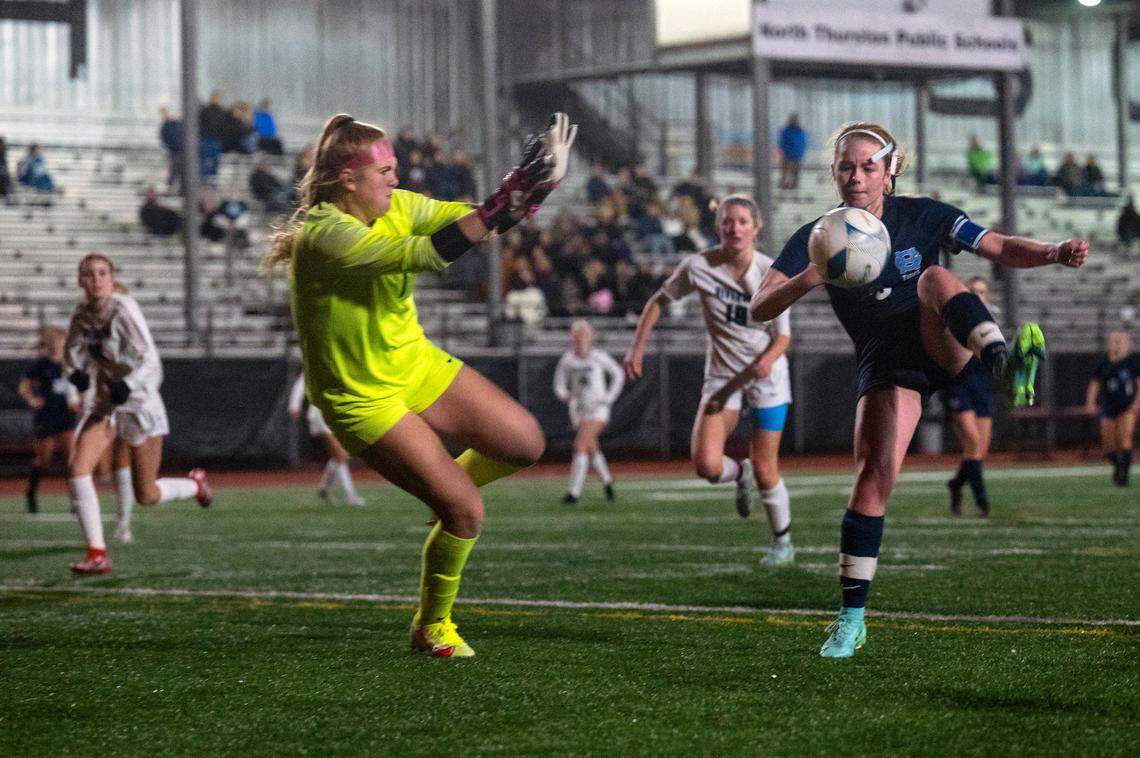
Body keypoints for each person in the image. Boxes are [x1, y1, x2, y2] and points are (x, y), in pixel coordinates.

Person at [750, 120, 1088, 658]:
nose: (856, 177)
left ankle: (1000, 361)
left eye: (867, 166)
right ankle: (852, 618)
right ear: (834, 175)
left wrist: (1053, 251)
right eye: (845, 167)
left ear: (890, 172)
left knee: (933, 278)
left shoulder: (922, 215)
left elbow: (995, 245)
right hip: (884, 362)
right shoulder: (818, 236)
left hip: (939, 337)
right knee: (871, 482)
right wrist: (807, 278)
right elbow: (758, 307)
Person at [263, 112, 576, 658]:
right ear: (347, 181)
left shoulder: (400, 204)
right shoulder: (325, 234)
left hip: (413, 362)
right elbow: (427, 254)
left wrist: (540, 184)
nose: (394, 178)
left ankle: (445, 487)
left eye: (394, 167)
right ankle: (431, 625)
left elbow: (483, 221)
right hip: (361, 395)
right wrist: (507, 199)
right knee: (465, 512)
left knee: (525, 441)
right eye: (382, 170)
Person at [624, 195, 797, 566]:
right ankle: (740, 473)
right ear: (718, 227)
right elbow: (658, 301)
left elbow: (783, 337)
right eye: (727, 221)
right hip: (722, 377)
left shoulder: (771, 272)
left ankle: (782, 543)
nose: (734, 228)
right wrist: (637, 348)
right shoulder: (698, 266)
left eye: (742, 221)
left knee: (768, 467)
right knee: (706, 464)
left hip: (766, 379)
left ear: (756, 228)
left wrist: (765, 361)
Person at [64, 253, 214, 575]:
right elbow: (71, 352)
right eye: (88, 274)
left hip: (140, 402)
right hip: (107, 401)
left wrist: (128, 384)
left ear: (111, 277)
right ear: (80, 281)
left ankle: (195, 485)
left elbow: (151, 361)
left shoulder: (123, 309)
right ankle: (97, 553)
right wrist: (75, 373)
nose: (96, 279)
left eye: (102, 273)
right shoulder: (81, 314)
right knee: (78, 469)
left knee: (147, 494)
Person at [554, 321, 624, 504]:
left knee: (580, 446)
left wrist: (609, 397)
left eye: (583, 336)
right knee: (592, 449)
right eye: (577, 336)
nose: (580, 340)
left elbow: (618, 374)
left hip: (598, 410)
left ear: (590, 338)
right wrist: (566, 396)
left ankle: (573, 493)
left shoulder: (599, 357)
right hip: (579, 411)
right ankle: (608, 481)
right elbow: (559, 384)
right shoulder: (568, 359)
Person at [944, 276, 997, 516]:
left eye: (983, 292)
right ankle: (982, 500)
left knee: (979, 452)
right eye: (973, 291)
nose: (978, 296)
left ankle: (956, 484)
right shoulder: (957, 318)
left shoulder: (991, 322)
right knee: (973, 444)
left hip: (979, 385)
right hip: (958, 384)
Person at [18, 327, 79, 513]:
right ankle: (31, 492)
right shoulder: (41, 364)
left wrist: (80, 398)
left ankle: (75, 499)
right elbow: (23, 385)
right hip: (46, 415)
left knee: (71, 458)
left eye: (58, 339)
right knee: (44, 458)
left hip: (66, 414)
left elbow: (81, 385)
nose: (55, 343)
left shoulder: (71, 363)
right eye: (51, 340)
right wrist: (31, 398)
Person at [288, 372, 364, 505]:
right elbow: (303, 381)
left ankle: (324, 488)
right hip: (321, 413)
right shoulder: (322, 360)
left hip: (334, 412)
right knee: (341, 455)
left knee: (339, 454)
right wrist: (294, 405)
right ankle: (351, 495)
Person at [1085, 330, 1137, 486]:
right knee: (1108, 445)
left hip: (1126, 406)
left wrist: (1137, 403)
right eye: (1115, 342)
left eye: (1121, 342)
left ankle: (1124, 475)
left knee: (1125, 439)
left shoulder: (1132, 362)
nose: (1118, 345)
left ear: (1128, 344)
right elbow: (1094, 384)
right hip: (1108, 406)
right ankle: (1118, 465)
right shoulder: (1104, 362)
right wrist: (1090, 402)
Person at [778, 114, 807, 190]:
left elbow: (803, 143)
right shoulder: (786, 131)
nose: (794, 121)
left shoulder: (800, 131)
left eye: (795, 119)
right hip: (787, 155)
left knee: (796, 173)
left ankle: (794, 186)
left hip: (797, 155)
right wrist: (785, 151)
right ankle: (783, 186)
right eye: (792, 119)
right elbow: (782, 142)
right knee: (785, 172)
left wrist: (801, 153)